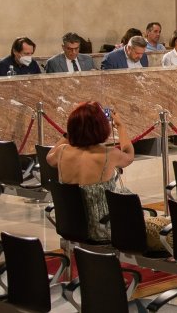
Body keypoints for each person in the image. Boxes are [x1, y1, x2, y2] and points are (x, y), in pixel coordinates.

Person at [46, 102, 160, 244]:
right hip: (103, 228)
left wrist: (72, 131)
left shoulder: (61, 151)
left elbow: (49, 157)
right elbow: (129, 155)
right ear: (101, 128)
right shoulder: (109, 154)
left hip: (71, 226)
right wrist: (120, 126)